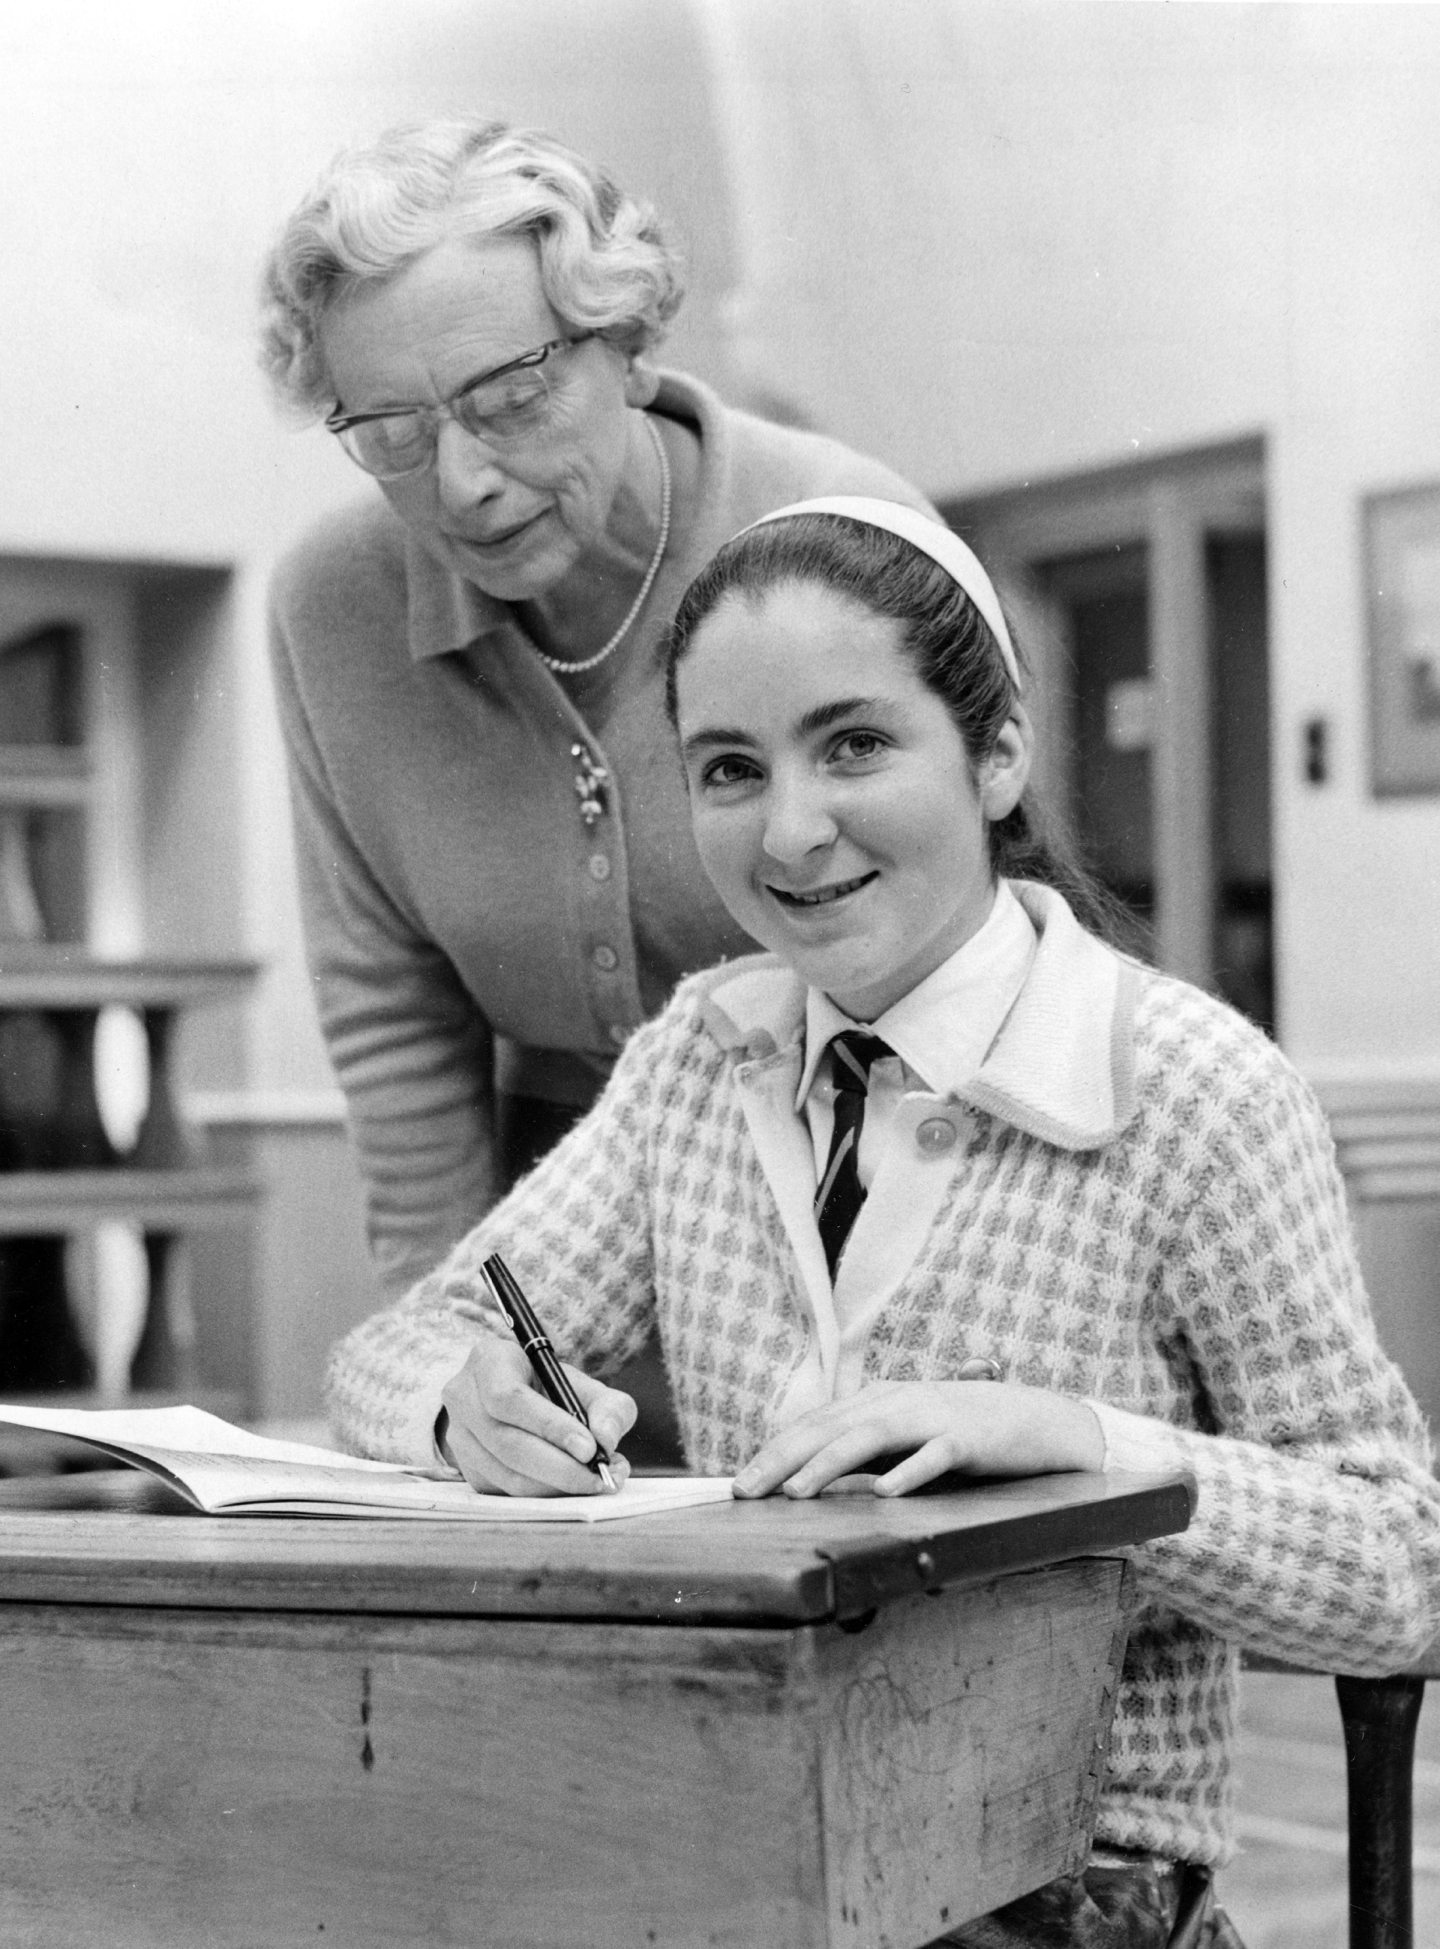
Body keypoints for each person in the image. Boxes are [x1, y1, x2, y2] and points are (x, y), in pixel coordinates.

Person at [327, 496, 1440, 1946]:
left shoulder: (1196, 1092)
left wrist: (1090, 1450)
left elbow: (1402, 1569)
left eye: (855, 744)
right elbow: (402, 1344)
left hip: (1061, 1898)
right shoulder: (698, 1061)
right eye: (731, 769)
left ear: (998, 754)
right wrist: (458, 1403)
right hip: (741, 1855)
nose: (791, 830)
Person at [258, 118, 936, 1355]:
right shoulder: (331, 607)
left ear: (626, 345)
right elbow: (392, 1013)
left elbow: (969, 962)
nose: (462, 481)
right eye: (394, 436)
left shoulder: (839, 533)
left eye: (512, 399)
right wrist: (455, 1358)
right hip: (559, 1262)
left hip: (888, 1228)